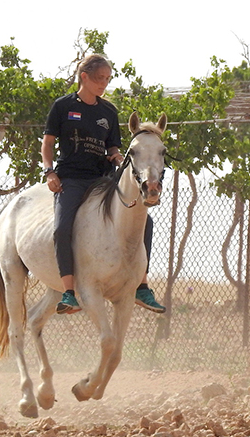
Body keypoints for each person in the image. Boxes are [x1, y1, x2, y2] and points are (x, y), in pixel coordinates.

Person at [41, 53, 165, 315]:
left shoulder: (108, 111)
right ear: (84, 77)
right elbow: (48, 144)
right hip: (72, 179)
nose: (104, 84)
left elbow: (112, 145)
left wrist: (116, 155)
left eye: (108, 79)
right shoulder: (62, 107)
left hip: (103, 180)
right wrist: (49, 172)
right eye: (100, 79)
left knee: (147, 221)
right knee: (62, 228)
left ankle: (142, 286)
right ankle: (69, 291)